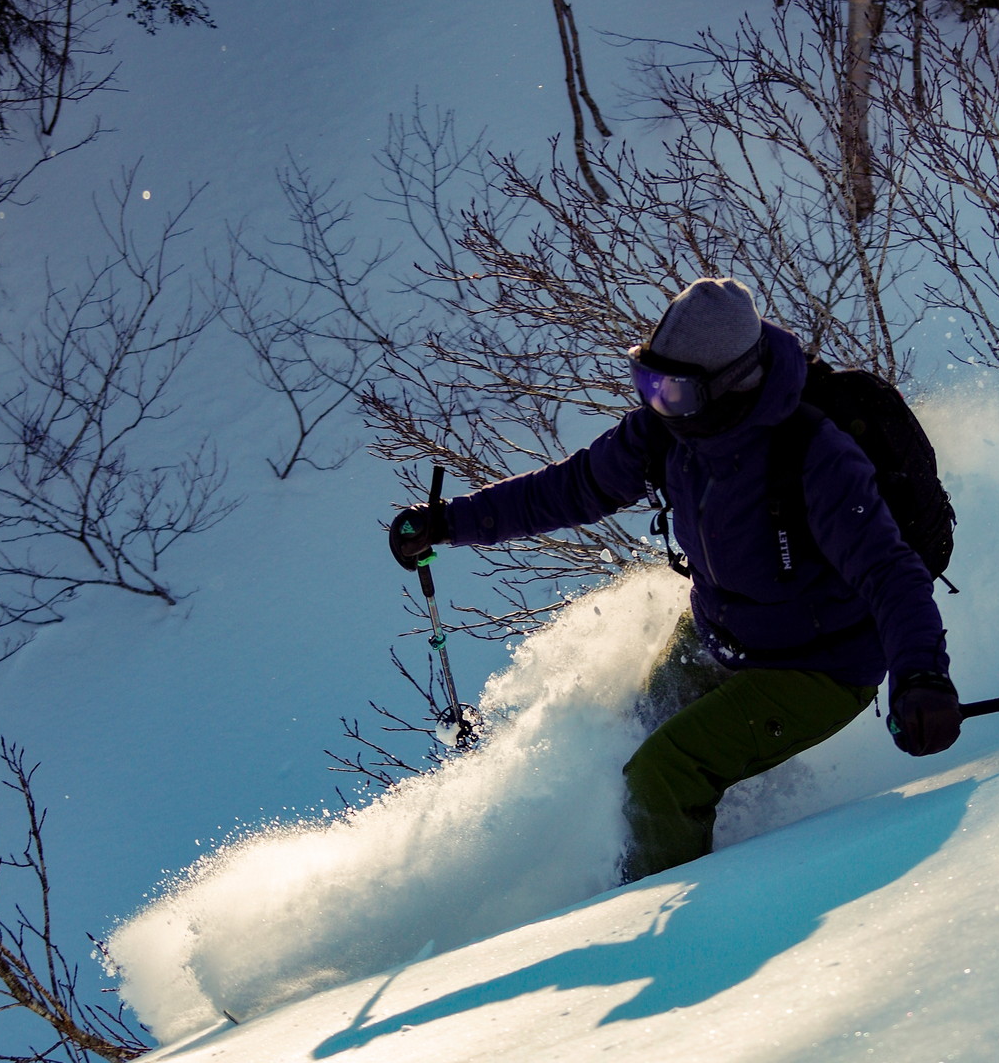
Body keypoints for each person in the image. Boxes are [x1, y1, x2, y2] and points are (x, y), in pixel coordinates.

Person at [389, 278, 961, 881]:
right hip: (722, 632)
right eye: (646, 384)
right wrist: (449, 521)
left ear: (730, 385)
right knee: (624, 744)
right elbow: (573, 487)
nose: (655, 402)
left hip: (820, 665)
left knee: (661, 773)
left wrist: (922, 675)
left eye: (671, 390)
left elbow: (889, 573)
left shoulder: (812, 455)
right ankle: (684, 840)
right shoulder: (667, 433)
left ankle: (661, 922)